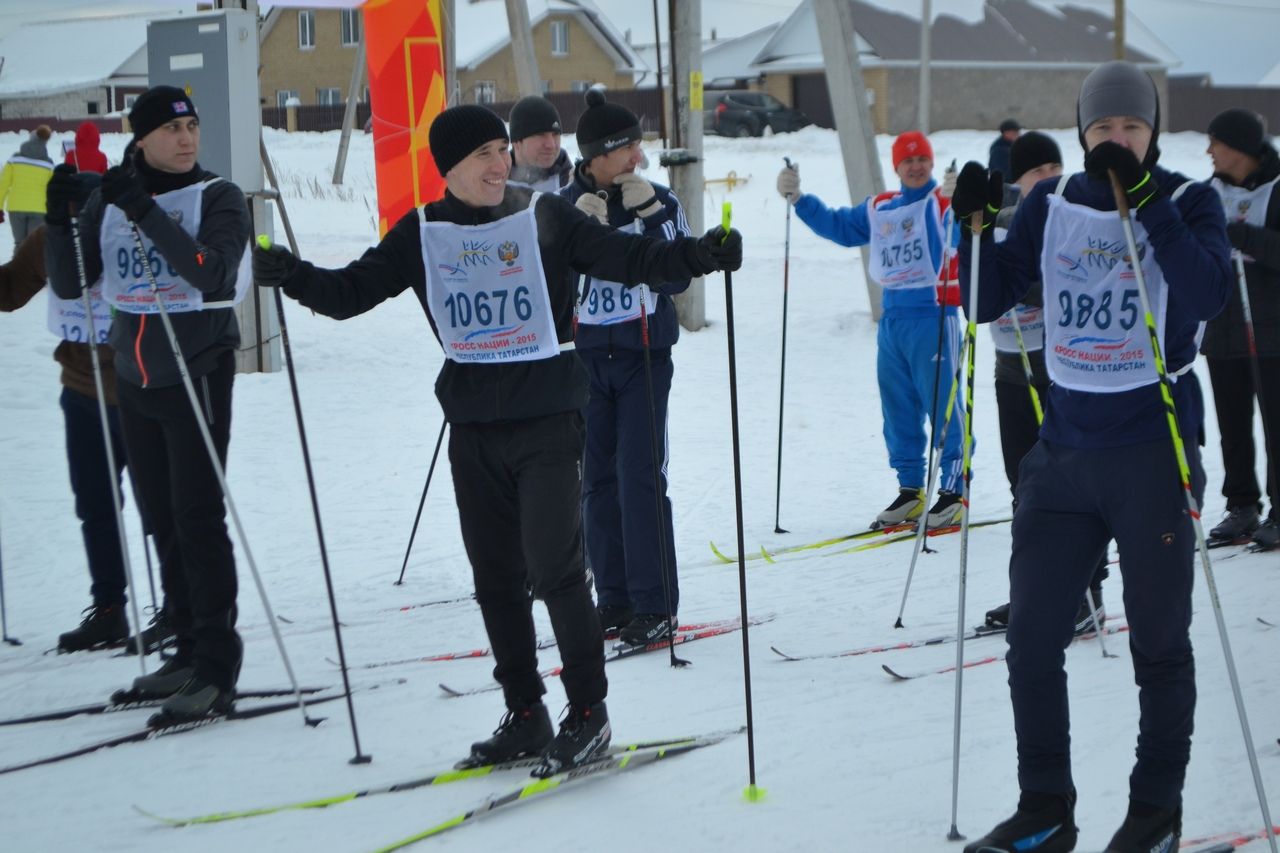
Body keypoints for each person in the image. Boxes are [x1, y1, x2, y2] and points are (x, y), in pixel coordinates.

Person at [251, 103, 742, 776]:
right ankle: (524, 710)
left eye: (500, 150)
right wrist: (293, 275)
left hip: (546, 418)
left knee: (556, 568)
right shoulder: (422, 231)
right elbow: (351, 292)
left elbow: (623, 255)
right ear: (447, 168)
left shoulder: (541, 216)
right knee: (494, 577)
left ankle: (589, 712)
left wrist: (696, 255)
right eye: (481, 154)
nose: (498, 164)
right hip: (475, 426)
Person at [953, 61, 1230, 853]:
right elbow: (986, 300)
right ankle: (1045, 807)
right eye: (1104, 129)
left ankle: (1155, 812)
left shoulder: (1185, 199)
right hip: (1064, 453)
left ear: (1152, 132)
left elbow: (1208, 293)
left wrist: (1145, 201)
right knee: (1033, 639)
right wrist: (970, 227)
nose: (1118, 141)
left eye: (1132, 128)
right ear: (1083, 133)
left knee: (1158, 642)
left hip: (1152, 447)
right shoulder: (1050, 202)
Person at [45, 85, 252, 725]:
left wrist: (147, 213)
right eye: (171, 129)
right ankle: (185, 649)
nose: (187, 138)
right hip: (133, 375)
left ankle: (217, 666)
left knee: (196, 516)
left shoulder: (219, 195)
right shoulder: (111, 197)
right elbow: (70, 281)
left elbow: (211, 272)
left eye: (192, 126)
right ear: (140, 138)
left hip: (197, 371)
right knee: (161, 518)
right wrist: (58, 219)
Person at [777, 130, 966, 530]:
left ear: (932, 164)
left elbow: (961, 237)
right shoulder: (883, 207)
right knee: (898, 410)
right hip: (893, 321)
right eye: (907, 161)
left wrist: (957, 201)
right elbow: (841, 227)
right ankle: (911, 491)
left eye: (922, 160)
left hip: (934, 316)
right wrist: (799, 200)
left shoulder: (941, 201)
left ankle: (954, 492)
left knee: (944, 405)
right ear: (896, 166)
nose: (916, 167)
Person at [561, 88, 690, 646]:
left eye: (638, 146)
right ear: (596, 156)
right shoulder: (564, 206)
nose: (638, 156)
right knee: (596, 483)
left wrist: (653, 217)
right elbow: (549, 292)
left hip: (642, 356)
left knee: (640, 477)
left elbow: (678, 277)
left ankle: (654, 602)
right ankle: (610, 599)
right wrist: (572, 234)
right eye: (627, 148)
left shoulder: (657, 198)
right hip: (588, 360)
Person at [979, 131, 1109, 637]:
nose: (1047, 177)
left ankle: (1086, 592)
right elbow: (976, 280)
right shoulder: (1005, 221)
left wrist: (1015, 279)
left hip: (1059, 372)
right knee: (1024, 487)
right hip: (1011, 372)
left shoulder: (1069, 218)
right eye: (1036, 171)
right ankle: (1034, 592)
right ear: (1018, 179)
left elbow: (1068, 278)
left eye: (1055, 166)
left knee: (1074, 487)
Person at [1202, 107, 1280, 551]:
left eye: (1217, 142)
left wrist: (1242, 236)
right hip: (1225, 325)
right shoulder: (1206, 191)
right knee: (1232, 425)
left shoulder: (1276, 188)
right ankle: (1242, 505)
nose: (1209, 150)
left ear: (1241, 148)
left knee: (1275, 425)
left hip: (1272, 329)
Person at [0, 125, 55, 243]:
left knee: (19, 245)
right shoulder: (49, 164)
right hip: (39, 209)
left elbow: (2, 184)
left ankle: (18, 262)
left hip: (16, 207)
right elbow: (52, 190)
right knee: (33, 246)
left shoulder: (14, 159)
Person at [507, 95, 572, 192]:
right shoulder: (493, 186)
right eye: (540, 134)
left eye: (555, 134)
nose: (551, 145)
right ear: (516, 142)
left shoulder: (574, 186)